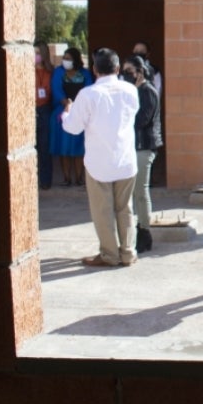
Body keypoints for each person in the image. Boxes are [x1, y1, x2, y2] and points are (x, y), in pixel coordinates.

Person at [60, 47, 140, 267]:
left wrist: (67, 111)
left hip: (99, 162)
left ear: (94, 69)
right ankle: (128, 252)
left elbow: (73, 128)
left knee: (102, 211)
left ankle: (109, 254)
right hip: (125, 159)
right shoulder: (130, 90)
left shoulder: (87, 95)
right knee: (126, 208)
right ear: (117, 68)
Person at [123, 54, 162, 253]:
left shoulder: (147, 91)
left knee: (141, 191)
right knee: (134, 192)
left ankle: (145, 231)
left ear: (139, 72)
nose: (126, 75)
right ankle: (138, 231)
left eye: (129, 71)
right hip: (134, 147)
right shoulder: (133, 91)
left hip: (144, 146)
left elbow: (142, 120)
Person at [50, 46, 93, 186]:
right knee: (64, 148)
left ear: (75, 60)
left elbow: (89, 90)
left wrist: (77, 105)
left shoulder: (85, 74)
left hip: (81, 112)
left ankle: (79, 178)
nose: (65, 61)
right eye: (64, 58)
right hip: (61, 112)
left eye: (68, 58)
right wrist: (66, 103)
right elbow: (56, 89)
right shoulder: (58, 72)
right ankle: (67, 178)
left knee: (79, 147)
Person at [34, 42, 54, 190]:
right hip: (30, 109)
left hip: (46, 109)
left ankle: (45, 180)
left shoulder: (51, 72)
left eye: (38, 53)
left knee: (44, 147)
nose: (35, 56)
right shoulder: (26, 70)